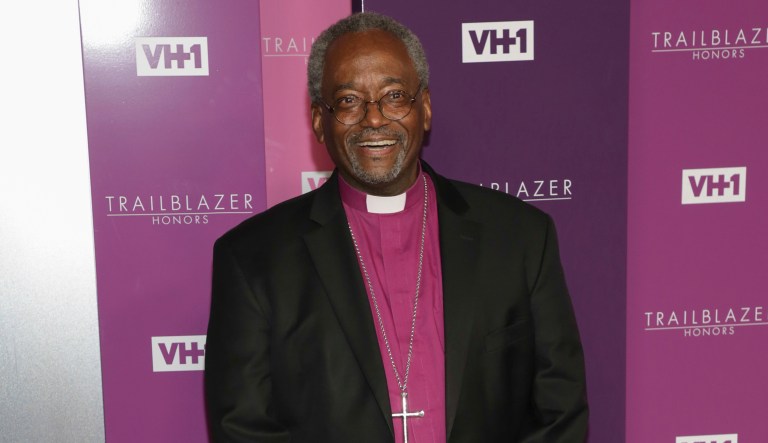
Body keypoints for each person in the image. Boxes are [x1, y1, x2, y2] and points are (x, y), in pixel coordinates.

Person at [205, 12, 588, 443]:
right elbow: (243, 428)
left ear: (425, 109)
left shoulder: (520, 237)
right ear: (318, 121)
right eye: (348, 100)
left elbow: (560, 411)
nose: (373, 119)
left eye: (394, 96)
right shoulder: (252, 259)